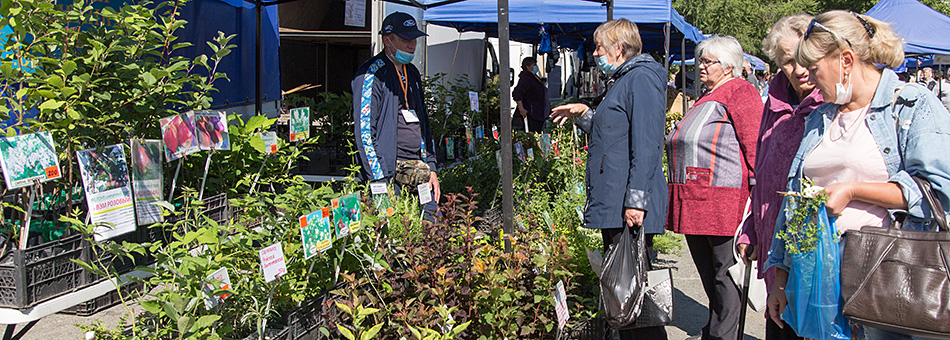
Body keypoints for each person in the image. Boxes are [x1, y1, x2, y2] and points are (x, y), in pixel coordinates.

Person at [764, 10, 950, 340]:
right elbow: (795, 201)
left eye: (815, 68)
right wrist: (781, 278)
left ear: (846, 60)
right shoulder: (820, 117)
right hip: (819, 273)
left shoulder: (910, 106)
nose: (808, 77)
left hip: (887, 275)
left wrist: (852, 191)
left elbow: (939, 190)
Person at [550, 18, 668, 340]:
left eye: (599, 47)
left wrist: (637, 201)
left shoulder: (640, 79)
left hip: (626, 204)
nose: (595, 53)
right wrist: (585, 116)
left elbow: (647, 145)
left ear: (618, 48)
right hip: (616, 200)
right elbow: (616, 136)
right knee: (623, 294)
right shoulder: (623, 79)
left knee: (632, 296)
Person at [665, 35, 763, 340]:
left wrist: (758, 201)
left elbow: (755, 147)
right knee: (712, 276)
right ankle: (716, 329)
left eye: (709, 62)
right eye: (701, 61)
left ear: (729, 66)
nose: (702, 67)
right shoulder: (708, 96)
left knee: (726, 275)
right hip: (698, 202)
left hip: (724, 202)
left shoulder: (740, 92)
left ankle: (722, 335)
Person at [736, 14, 823, 340]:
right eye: (788, 62)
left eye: (804, 59)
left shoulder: (833, 105)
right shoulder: (772, 104)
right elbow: (763, 175)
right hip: (776, 253)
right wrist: (752, 228)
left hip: (816, 256)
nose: (799, 70)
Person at [351, 12, 439, 216]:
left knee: (433, 223)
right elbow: (364, 130)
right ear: (387, 40)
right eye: (405, 39)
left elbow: (424, 123)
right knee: (396, 234)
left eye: (414, 39)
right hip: (389, 170)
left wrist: (431, 167)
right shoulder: (372, 74)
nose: (412, 45)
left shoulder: (413, 72)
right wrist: (379, 178)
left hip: (417, 167)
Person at [512, 57, 548, 132]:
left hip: (536, 113)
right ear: (528, 67)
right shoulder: (526, 78)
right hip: (530, 114)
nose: (536, 66)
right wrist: (521, 109)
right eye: (534, 65)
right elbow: (517, 93)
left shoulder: (533, 77)